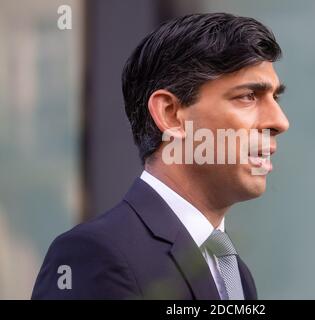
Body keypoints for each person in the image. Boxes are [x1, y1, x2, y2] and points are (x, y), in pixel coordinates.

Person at [31, 12, 289, 300]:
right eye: (248, 96)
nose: (280, 121)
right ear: (170, 114)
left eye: (275, 98)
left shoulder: (235, 272)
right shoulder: (93, 255)